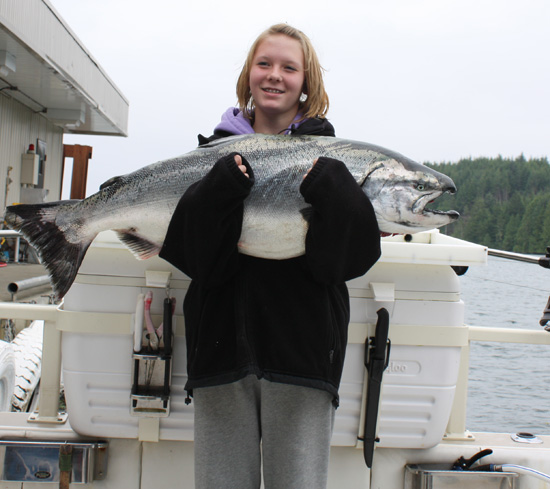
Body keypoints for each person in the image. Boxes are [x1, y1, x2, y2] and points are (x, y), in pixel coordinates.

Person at [160, 24, 381, 489]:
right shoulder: (209, 159)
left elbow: (341, 264)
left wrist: (338, 198)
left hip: (302, 355)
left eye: (289, 67)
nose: (274, 76)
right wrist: (216, 193)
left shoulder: (337, 164)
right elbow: (197, 259)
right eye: (265, 64)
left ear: (306, 82)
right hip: (219, 352)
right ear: (248, 75)